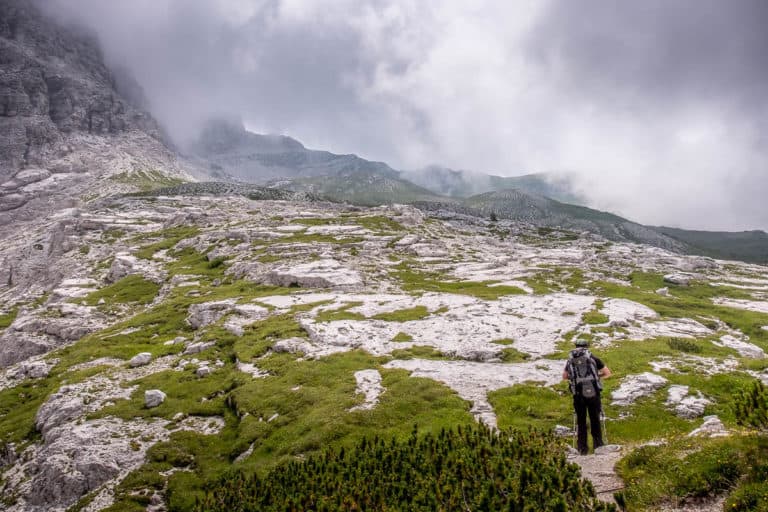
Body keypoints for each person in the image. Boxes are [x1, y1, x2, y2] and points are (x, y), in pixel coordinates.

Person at [562, 339, 612, 455]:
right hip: (593, 393)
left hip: (578, 394)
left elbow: (564, 376)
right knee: (595, 419)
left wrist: (576, 379)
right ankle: (598, 446)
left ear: (576, 346)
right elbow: (607, 373)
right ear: (587, 346)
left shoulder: (570, 360)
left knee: (581, 421)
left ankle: (582, 449)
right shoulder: (593, 358)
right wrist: (596, 377)